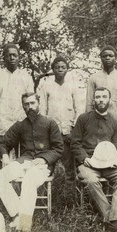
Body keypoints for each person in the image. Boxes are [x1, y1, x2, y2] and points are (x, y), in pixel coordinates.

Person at [0, 92, 63, 232]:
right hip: (23, 162)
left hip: (43, 166)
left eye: (32, 103)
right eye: (26, 104)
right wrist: (5, 154)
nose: (30, 107)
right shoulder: (20, 125)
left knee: (29, 179)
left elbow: (58, 149)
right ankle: (17, 214)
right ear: (23, 106)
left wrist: (43, 159)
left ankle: (24, 228)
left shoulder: (50, 123)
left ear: (38, 103)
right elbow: (1, 143)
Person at [71, 87, 117, 232]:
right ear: (93, 100)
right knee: (90, 180)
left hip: (109, 164)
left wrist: (116, 159)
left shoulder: (114, 122)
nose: (101, 100)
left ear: (109, 100)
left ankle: (115, 219)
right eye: (98, 97)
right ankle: (111, 218)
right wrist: (84, 158)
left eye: (104, 97)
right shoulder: (83, 119)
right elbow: (75, 143)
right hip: (89, 163)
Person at [37, 56, 82, 188]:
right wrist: (46, 132)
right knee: (48, 165)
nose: (60, 70)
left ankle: (70, 195)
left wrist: (72, 130)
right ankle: (47, 193)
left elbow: (78, 109)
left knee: (69, 166)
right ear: (53, 69)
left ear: (67, 69)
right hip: (51, 134)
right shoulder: (46, 87)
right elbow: (43, 111)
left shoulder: (72, 86)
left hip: (68, 134)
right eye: (57, 67)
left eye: (63, 67)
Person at [0, 43, 34, 170]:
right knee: (2, 166)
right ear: (4, 58)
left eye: (15, 55)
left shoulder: (26, 77)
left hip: (22, 128)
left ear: (19, 58)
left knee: (24, 165)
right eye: (9, 55)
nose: (12, 58)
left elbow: (31, 106)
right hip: (3, 128)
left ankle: (23, 190)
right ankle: (2, 189)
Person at [85, 45, 117, 145]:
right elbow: (89, 103)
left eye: (111, 55)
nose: (108, 58)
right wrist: (88, 125)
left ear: (116, 58)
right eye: (104, 56)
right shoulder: (94, 78)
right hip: (97, 124)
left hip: (116, 123)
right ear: (101, 58)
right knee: (98, 152)